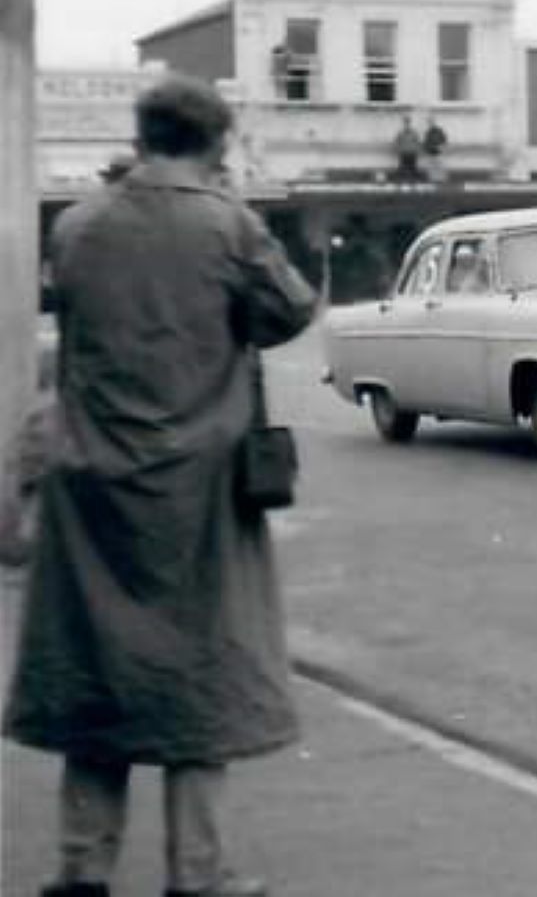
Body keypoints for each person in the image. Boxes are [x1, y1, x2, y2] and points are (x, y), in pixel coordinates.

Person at [7, 74, 320, 897]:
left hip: (92, 484)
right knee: (199, 678)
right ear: (214, 143)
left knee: (94, 673)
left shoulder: (78, 225)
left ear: (141, 135)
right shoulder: (229, 226)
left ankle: (82, 868)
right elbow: (289, 312)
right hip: (200, 490)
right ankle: (199, 874)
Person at [392, 115, 421, 181]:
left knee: (413, 168)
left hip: (412, 152)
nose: (407, 124)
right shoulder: (400, 133)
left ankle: (415, 180)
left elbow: (417, 142)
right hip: (403, 152)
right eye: (405, 123)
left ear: (410, 123)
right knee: (402, 168)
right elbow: (397, 142)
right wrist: (398, 150)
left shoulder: (414, 132)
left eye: (408, 122)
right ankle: (399, 179)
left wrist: (417, 150)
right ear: (404, 123)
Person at [421, 118, 449, 182]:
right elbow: (426, 143)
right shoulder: (427, 132)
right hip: (431, 152)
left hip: (439, 152)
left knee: (440, 166)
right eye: (429, 123)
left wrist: (441, 147)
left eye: (431, 122)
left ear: (434, 122)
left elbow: (444, 140)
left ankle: (441, 179)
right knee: (432, 167)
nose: (431, 124)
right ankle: (432, 179)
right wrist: (427, 149)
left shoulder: (439, 131)